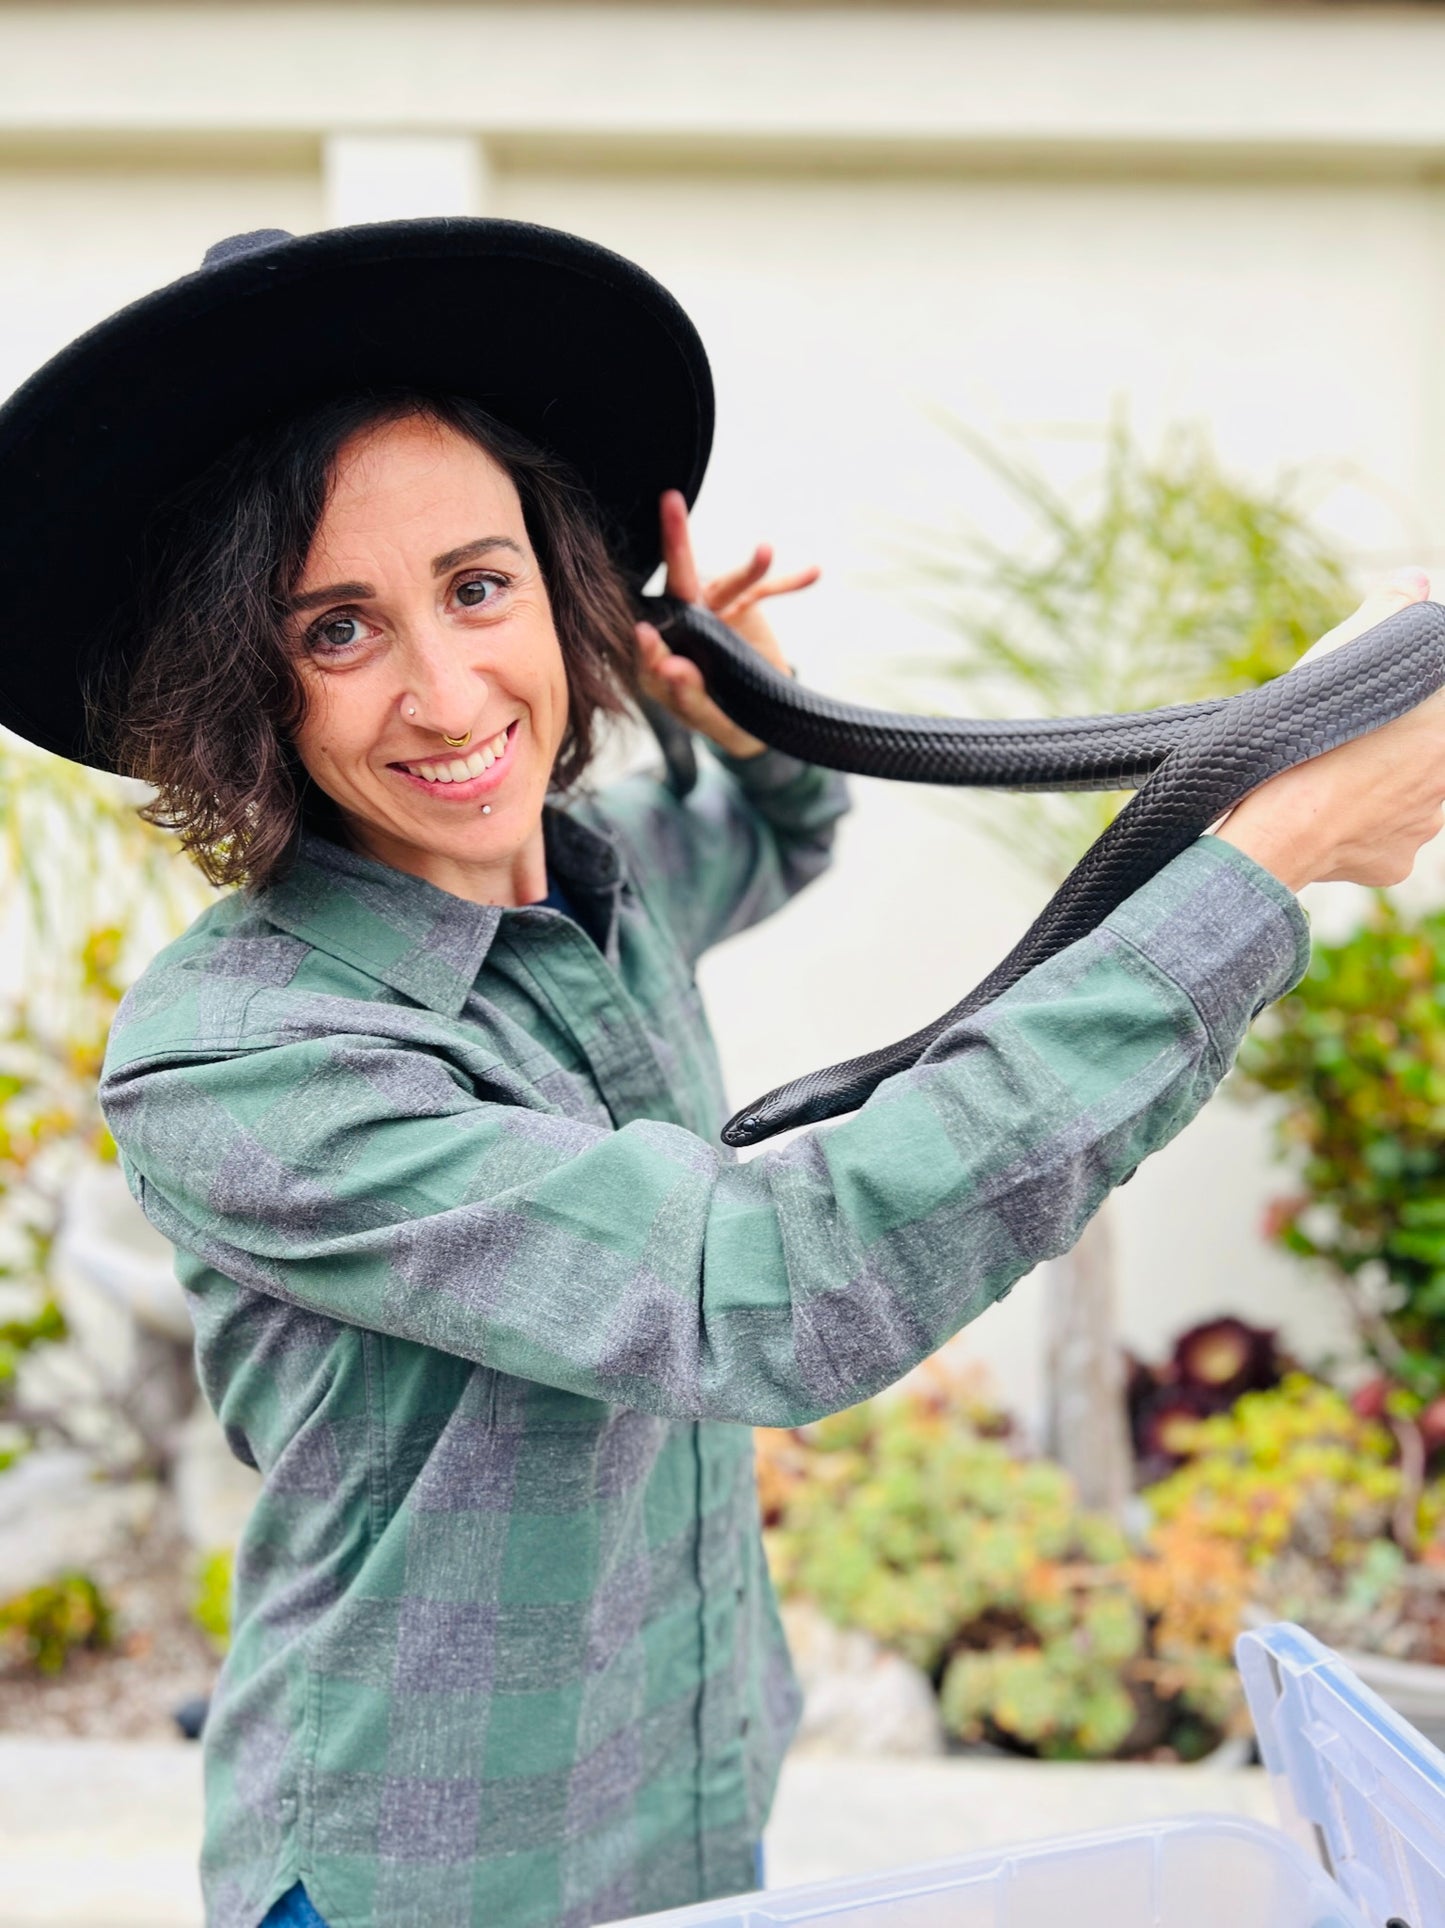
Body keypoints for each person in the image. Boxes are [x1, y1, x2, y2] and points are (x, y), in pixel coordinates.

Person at [1, 219, 1442, 1928]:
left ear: (567, 593)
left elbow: (766, 836)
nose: (447, 693)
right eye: (335, 630)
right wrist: (1268, 859)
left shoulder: (591, 875)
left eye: (479, 586)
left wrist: (752, 724)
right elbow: (755, 1292)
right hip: (431, 1868)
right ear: (241, 686)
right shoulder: (249, 1062)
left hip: (683, 1796)